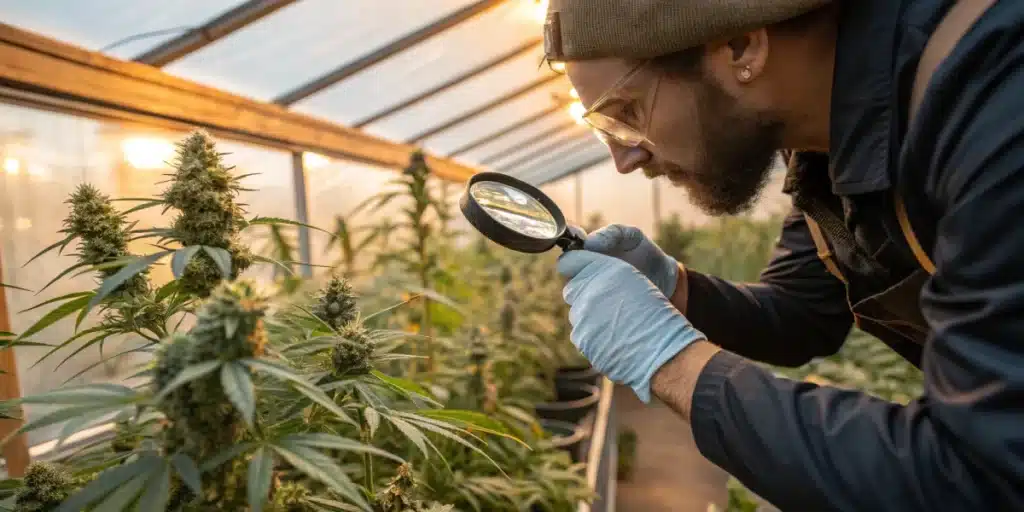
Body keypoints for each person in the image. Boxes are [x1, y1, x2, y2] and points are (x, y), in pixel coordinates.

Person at [543, 0, 1024, 509]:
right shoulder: (825, 131)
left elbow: (977, 475)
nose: (624, 159)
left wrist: (670, 363)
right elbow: (801, 311)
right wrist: (675, 288)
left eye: (627, 113)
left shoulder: (994, 103)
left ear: (740, 45)